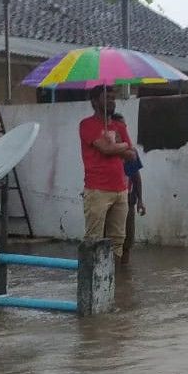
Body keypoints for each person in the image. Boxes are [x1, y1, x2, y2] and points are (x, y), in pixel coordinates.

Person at [79, 86, 136, 260]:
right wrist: (122, 146)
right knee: (93, 239)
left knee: (118, 240)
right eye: (107, 97)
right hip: (97, 190)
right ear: (95, 101)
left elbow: (133, 155)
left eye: (113, 97)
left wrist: (117, 147)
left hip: (120, 189)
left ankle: (115, 282)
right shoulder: (87, 124)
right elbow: (105, 149)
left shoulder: (119, 125)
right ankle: (90, 282)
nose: (112, 100)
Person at [112, 112, 147, 264]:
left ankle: (123, 273)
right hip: (108, 200)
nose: (122, 130)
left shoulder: (131, 152)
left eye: (124, 127)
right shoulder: (104, 150)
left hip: (127, 200)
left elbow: (136, 177)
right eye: (119, 127)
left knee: (127, 240)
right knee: (108, 239)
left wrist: (140, 200)